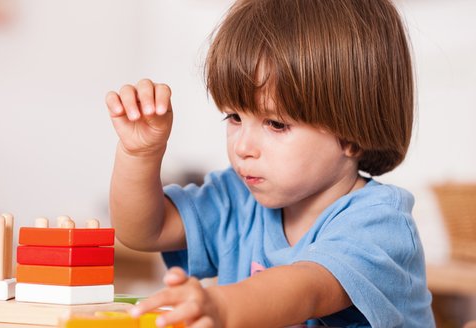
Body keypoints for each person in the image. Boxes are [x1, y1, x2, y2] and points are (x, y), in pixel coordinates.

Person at [105, 0, 435, 327]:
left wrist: (221, 304)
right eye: (234, 117)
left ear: (351, 135)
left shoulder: (379, 222)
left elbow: (307, 290)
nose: (242, 146)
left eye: (276, 124)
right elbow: (145, 231)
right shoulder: (236, 199)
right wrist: (140, 155)